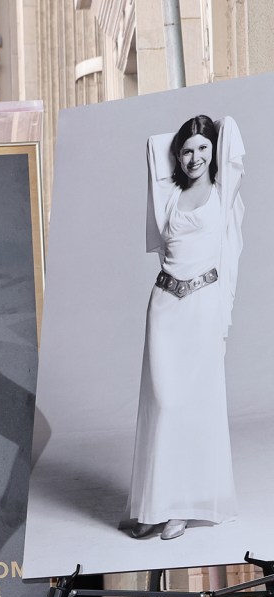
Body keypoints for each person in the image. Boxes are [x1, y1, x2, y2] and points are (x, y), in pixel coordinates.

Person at [125, 113, 244, 541]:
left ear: (216, 153)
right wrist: (186, 136)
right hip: (164, 308)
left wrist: (211, 127)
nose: (195, 157)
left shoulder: (223, 192)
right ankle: (155, 506)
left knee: (192, 406)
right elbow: (156, 144)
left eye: (204, 149)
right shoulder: (168, 195)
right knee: (163, 403)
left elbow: (232, 134)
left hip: (202, 308)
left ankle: (182, 506)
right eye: (188, 149)